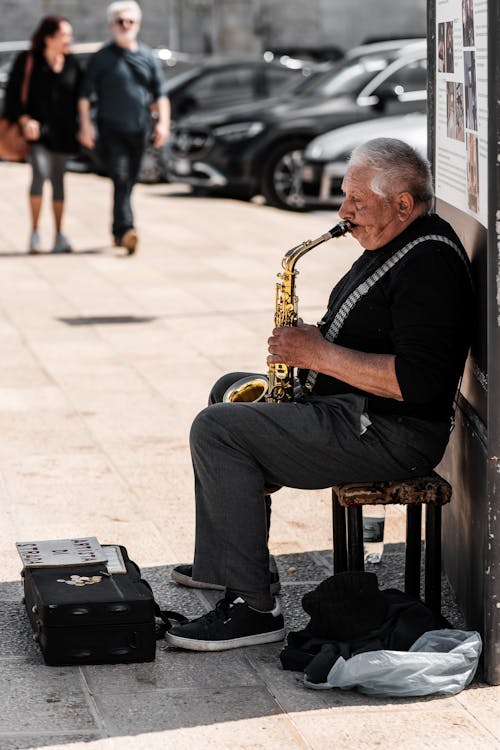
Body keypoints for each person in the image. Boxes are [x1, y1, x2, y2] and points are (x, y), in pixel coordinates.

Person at [165, 138, 474, 652]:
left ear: (403, 204)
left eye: (357, 201)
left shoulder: (429, 265)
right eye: (345, 197)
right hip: (354, 410)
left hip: (389, 432)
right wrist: (317, 345)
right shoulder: (395, 240)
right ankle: (230, 558)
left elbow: (419, 382)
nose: (343, 211)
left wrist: (318, 355)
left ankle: (253, 607)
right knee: (228, 392)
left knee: (217, 428)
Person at [78, 1, 169, 255]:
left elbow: (160, 94)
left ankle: (119, 231)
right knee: (120, 177)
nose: (125, 25)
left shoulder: (147, 56)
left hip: (139, 129)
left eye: (129, 21)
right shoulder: (102, 58)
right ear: (111, 24)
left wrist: (162, 123)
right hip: (111, 129)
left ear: (137, 24)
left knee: (129, 180)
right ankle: (127, 228)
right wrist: (85, 125)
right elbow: (85, 94)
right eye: (120, 21)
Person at [3, 16, 81, 254]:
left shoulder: (72, 64)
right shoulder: (28, 61)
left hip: (63, 133)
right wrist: (25, 120)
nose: (69, 39)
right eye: (64, 35)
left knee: (59, 181)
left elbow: (83, 98)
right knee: (39, 173)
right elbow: (12, 98)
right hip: (35, 135)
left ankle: (59, 235)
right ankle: (35, 232)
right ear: (49, 38)